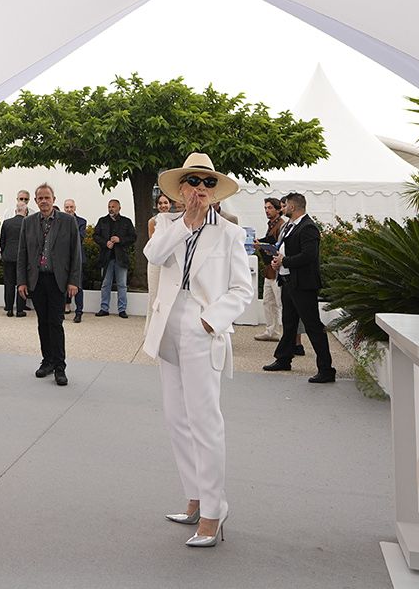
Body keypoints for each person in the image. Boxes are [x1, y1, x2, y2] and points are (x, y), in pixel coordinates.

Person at [141, 153, 256, 547]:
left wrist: (211, 320)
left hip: (202, 328)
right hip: (167, 326)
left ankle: (213, 510)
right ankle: (194, 496)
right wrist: (184, 224)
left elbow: (244, 289)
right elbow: (152, 257)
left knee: (205, 422)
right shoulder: (168, 225)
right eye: (192, 182)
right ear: (181, 189)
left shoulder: (229, 233)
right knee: (176, 418)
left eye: (207, 183)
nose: (199, 190)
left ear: (215, 191)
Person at [264, 193, 335, 383]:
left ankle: (326, 369)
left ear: (293, 207)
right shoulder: (290, 226)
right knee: (289, 323)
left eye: (284, 205)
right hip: (288, 281)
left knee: (313, 325)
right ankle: (284, 358)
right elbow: (286, 250)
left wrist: (284, 260)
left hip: (303, 284)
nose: (282, 208)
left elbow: (309, 256)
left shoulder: (308, 227)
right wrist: (277, 261)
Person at [17, 184, 81, 386]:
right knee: (42, 323)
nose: (44, 201)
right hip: (37, 280)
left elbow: (75, 254)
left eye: (47, 197)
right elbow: (22, 254)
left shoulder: (68, 222)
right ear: (35, 201)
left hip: (57, 280)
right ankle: (47, 361)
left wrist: (73, 281)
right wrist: (21, 282)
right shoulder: (28, 223)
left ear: (54, 199)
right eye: (40, 198)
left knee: (56, 323)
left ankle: (60, 367)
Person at [253, 197, 290, 344]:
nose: (267, 210)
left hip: (277, 269)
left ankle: (287, 335)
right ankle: (272, 331)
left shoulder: (281, 225)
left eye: (270, 208)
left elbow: (278, 246)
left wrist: (262, 246)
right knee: (268, 302)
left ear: (278, 209)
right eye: (265, 208)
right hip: (270, 270)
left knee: (281, 303)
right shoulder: (272, 225)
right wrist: (261, 244)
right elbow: (269, 242)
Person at [94, 199, 137, 318]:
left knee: (122, 285)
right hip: (106, 258)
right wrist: (105, 243)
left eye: (113, 207)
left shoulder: (126, 222)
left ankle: (122, 310)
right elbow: (95, 235)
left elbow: (133, 237)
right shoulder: (102, 221)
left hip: (121, 258)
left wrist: (120, 240)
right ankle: (104, 308)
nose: (111, 209)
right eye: (109, 206)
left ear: (119, 208)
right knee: (105, 284)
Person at [0, 194, 28, 317]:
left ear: (16, 211)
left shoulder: (6, 223)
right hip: (22, 258)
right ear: (25, 212)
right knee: (21, 282)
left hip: (8, 256)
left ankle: (9, 308)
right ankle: (20, 310)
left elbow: (2, 240)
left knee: (9, 283)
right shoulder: (28, 223)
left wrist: (3, 252)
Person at [62, 198, 87, 321]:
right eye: (67, 207)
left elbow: (80, 237)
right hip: (62, 260)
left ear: (75, 208)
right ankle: (61, 311)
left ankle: (79, 312)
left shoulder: (81, 222)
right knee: (61, 286)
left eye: (71, 207)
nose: (69, 210)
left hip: (77, 259)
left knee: (78, 286)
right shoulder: (59, 222)